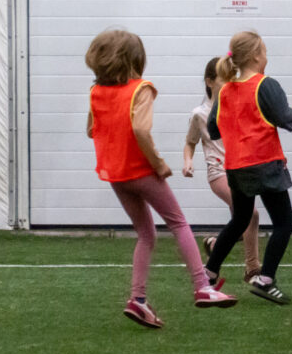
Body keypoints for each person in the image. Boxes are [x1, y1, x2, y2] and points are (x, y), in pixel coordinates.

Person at [85, 28, 237, 329]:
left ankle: (138, 300)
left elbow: (91, 130)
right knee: (178, 222)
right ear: (135, 60)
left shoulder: (95, 92)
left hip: (115, 174)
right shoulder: (141, 89)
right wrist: (158, 163)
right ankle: (202, 286)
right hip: (140, 170)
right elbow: (140, 130)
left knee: (146, 234)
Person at [202, 30, 292, 305]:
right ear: (255, 56)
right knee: (284, 223)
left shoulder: (225, 90)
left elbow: (213, 129)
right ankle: (265, 279)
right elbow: (284, 118)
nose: (266, 57)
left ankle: (209, 273)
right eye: (265, 52)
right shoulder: (265, 85)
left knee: (240, 220)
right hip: (265, 165)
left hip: (236, 168)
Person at [183, 57, 261, 284]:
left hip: (240, 170)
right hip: (218, 173)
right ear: (209, 82)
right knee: (251, 215)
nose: (229, 83)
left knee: (240, 224)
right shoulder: (200, 114)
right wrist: (188, 161)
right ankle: (252, 268)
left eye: (231, 78)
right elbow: (190, 142)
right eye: (223, 79)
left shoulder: (236, 106)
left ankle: (215, 245)